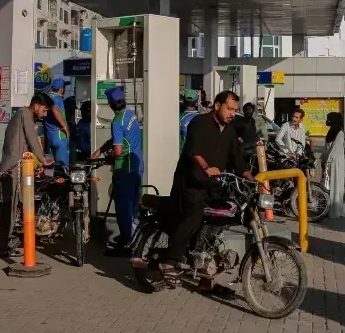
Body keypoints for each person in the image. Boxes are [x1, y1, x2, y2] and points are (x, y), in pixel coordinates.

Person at [160, 91, 251, 288]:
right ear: (217, 105)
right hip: (191, 183)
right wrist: (206, 167)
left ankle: (205, 277)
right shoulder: (199, 123)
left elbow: (237, 158)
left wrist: (253, 178)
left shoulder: (229, 130)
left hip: (214, 185)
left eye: (235, 110)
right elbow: (195, 150)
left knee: (221, 218)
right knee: (195, 214)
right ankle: (170, 260)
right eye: (229, 108)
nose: (232, 114)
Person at [0, 93, 54, 257]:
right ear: (37, 105)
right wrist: (43, 160)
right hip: (12, 169)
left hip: (13, 167)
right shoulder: (25, 114)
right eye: (45, 110)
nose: (45, 114)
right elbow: (32, 139)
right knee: (6, 210)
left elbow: (25, 146)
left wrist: (36, 163)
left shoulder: (21, 115)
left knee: (5, 209)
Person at [90, 87, 143, 256]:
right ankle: (131, 237)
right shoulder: (130, 115)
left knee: (123, 208)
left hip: (124, 168)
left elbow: (118, 150)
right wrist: (101, 149)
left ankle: (127, 245)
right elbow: (118, 139)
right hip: (136, 166)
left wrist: (106, 155)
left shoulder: (116, 121)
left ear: (111, 104)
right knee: (133, 206)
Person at [44, 78, 71, 165]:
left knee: (51, 167)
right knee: (62, 167)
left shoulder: (47, 98)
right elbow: (55, 110)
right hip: (59, 136)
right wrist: (65, 127)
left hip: (49, 137)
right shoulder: (58, 98)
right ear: (61, 89)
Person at [178, 90, 200, 154]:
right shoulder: (204, 118)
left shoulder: (179, 118)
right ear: (196, 102)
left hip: (183, 152)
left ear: (184, 102)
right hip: (198, 154)